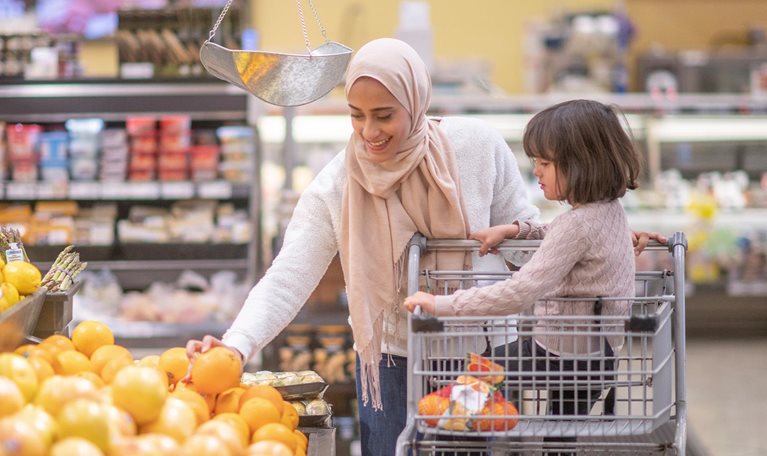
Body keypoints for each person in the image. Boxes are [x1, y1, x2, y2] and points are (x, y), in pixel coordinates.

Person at [187, 41, 664, 455]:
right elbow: (287, 276)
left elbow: (529, 244)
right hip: (394, 357)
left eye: (384, 115)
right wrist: (234, 346)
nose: (369, 133)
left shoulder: (475, 146)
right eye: (356, 116)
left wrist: (597, 239)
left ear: (415, 103)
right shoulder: (336, 186)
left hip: (483, 351)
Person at [404, 99, 650, 453]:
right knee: (559, 441)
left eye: (545, 163)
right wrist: (516, 229)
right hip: (597, 357)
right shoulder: (608, 211)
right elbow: (562, 233)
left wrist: (440, 303)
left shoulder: (577, 225)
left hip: (562, 357)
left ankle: (461, 439)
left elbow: (520, 291)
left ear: (581, 165)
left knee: (478, 373)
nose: (536, 170)